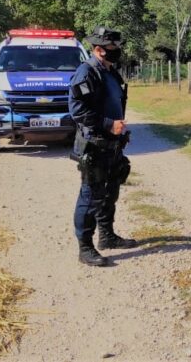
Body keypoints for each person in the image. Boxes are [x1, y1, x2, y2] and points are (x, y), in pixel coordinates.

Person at [69, 26, 138, 266]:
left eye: (118, 47)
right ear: (99, 50)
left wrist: (117, 132)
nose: (117, 51)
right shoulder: (86, 73)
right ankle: (85, 248)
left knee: (110, 192)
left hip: (112, 145)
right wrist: (108, 124)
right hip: (94, 145)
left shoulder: (110, 72)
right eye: (113, 48)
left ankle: (107, 236)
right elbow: (78, 110)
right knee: (91, 196)